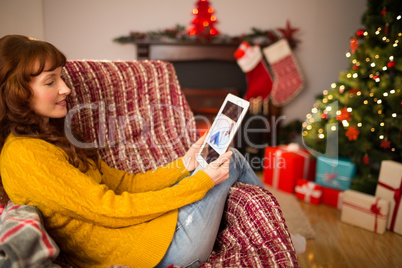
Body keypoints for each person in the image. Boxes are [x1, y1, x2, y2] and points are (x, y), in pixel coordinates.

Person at [0, 35, 265, 268]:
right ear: (17, 93)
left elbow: (126, 183)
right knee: (234, 159)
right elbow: (110, 209)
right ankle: (272, 241)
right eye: (50, 82)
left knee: (219, 158)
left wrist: (184, 164)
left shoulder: (49, 138)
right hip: (159, 252)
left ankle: (268, 231)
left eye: (61, 77)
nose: (65, 89)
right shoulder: (26, 155)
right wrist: (200, 182)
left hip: (150, 238)